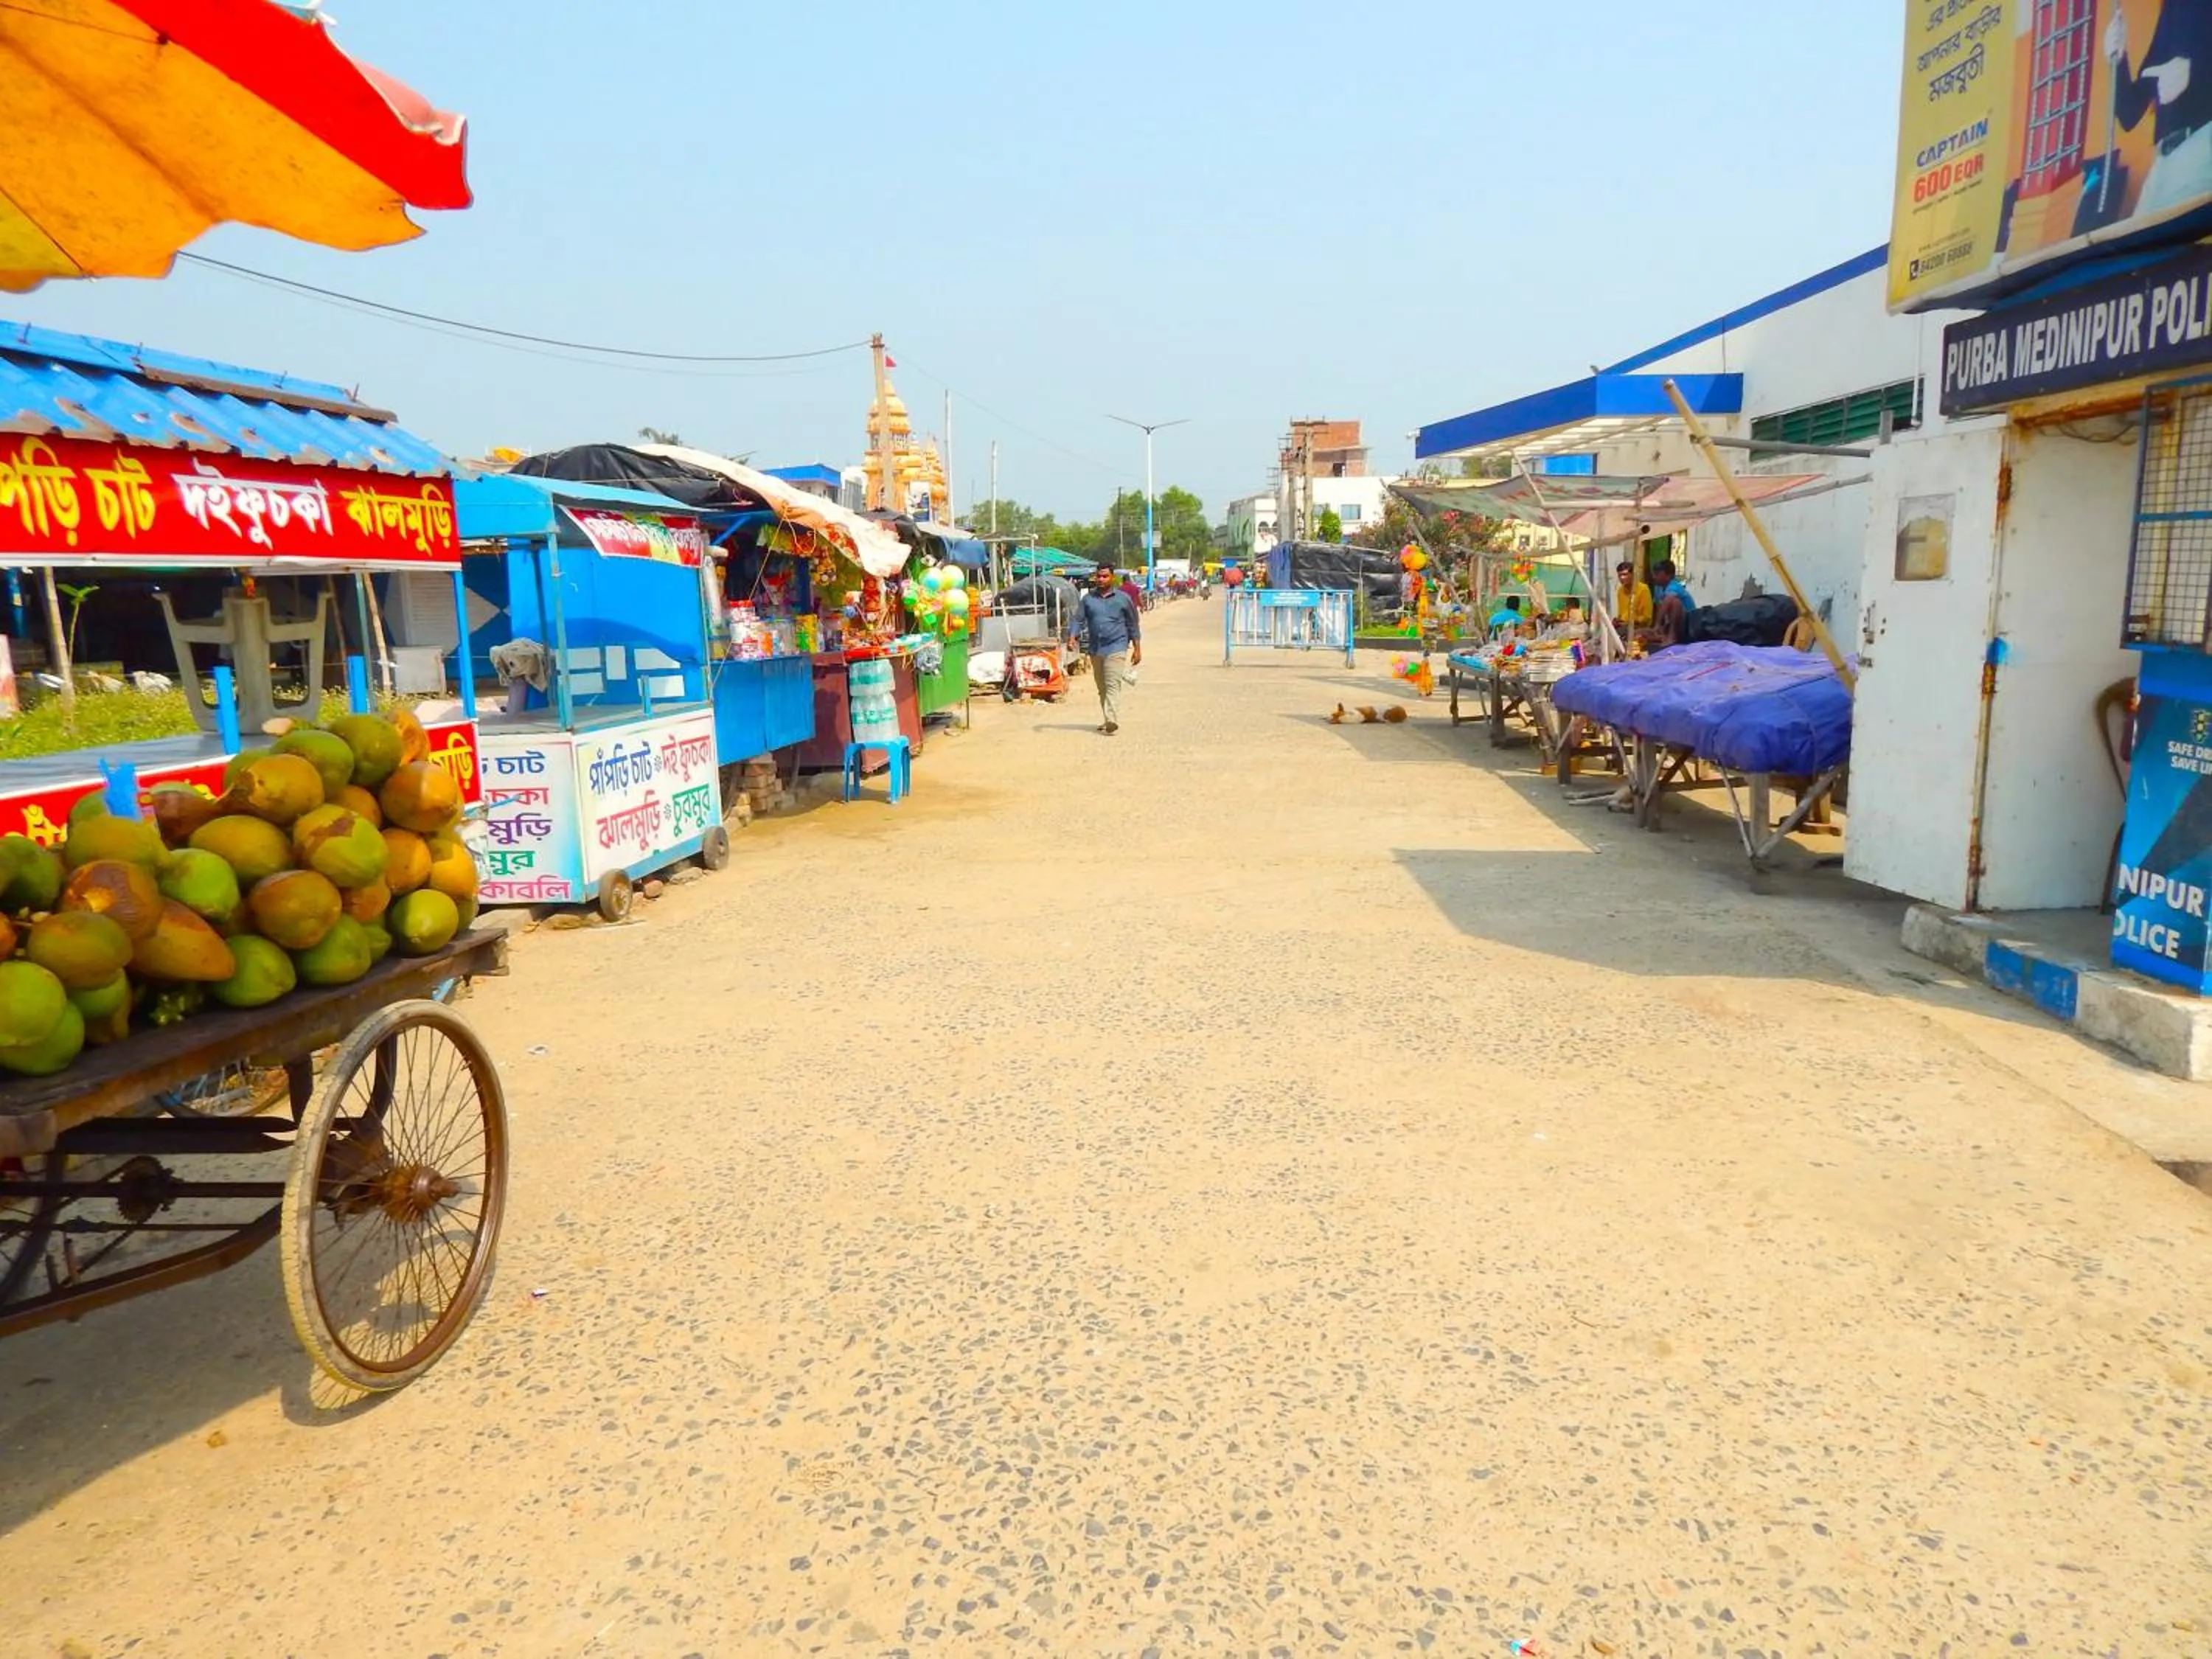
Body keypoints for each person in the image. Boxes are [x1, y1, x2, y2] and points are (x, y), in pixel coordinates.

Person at [2107, 4, 2212, 218]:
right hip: (2165, 159)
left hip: (2203, 142)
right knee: (2138, 244)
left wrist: (2195, 72)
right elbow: (2129, 113)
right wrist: (2118, 59)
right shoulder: (2173, 10)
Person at [1071, 563, 1142, 734]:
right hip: (1096, 648)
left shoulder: (1123, 599)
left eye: (1105, 576)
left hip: (1117, 645)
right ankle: (1107, 718)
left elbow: (1133, 623)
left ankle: (1112, 719)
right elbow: (1078, 620)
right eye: (1099, 576)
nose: (1101, 579)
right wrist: (1073, 636)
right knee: (1102, 687)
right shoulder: (1088, 599)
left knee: (1112, 684)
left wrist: (1137, 647)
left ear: (1112, 578)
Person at [1644, 560, 1694, 651]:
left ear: (1669, 575)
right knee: (1641, 633)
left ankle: (1672, 636)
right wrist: (1660, 627)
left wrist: (1658, 625)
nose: (1654, 577)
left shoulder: (1674, 586)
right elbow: (1659, 608)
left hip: (1688, 624)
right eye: (1654, 574)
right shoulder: (1658, 588)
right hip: (1669, 623)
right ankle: (1664, 635)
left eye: (1658, 574)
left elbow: (1668, 602)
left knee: (1675, 602)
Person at [1614, 560, 1654, 630]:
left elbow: (1647, 618)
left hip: (1639, 627)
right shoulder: (1620, 591)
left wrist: (1631, 621)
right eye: (1620, 575)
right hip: (1624, 626)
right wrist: (1617, 621)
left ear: (1633, 575)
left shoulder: (1643, 589)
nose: (1622, 578)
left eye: (1625, 575)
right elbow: (1621, 614)